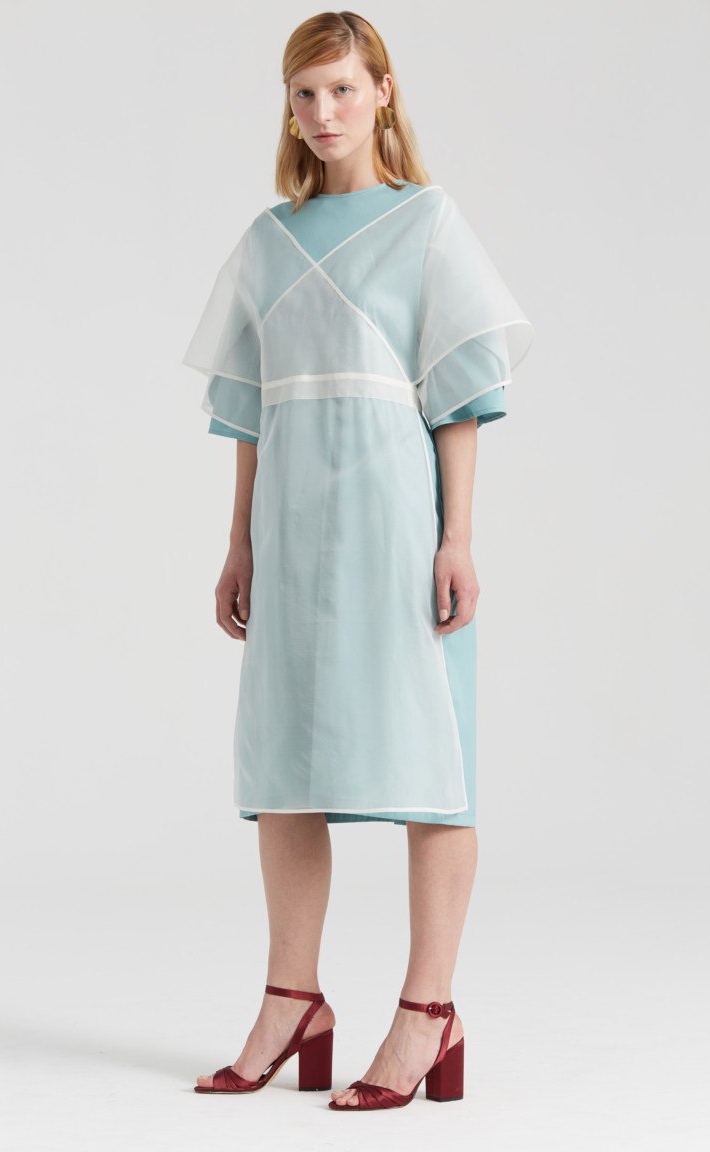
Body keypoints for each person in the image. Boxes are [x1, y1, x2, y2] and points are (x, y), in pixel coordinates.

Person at [181, 10, 533, 1111]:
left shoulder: (427, 224)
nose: (322, 112)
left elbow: (456, 399)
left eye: (341, 88)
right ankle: (294, 999)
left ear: (382, 90)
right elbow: (249, 413)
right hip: (291, 532)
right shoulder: (268, 242)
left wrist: (457, 537)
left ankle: (429, 1010)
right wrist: (237, 540)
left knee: (434, 759)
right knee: (283, 763)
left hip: (394, 529)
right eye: (304, 94)